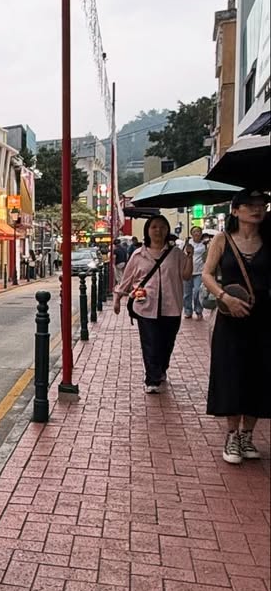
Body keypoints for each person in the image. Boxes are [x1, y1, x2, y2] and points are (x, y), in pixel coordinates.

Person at [202, 189, 270, 464]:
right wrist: (225, 297)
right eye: (250, 205)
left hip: (263, 316)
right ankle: (232, 435)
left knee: (260, 373)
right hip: (230, 315)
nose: (257, 209)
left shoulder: (269, 240)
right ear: (235, 210)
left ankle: (247, 436)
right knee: (231, 372)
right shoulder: (223, 239)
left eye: (261, 204)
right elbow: (207, 274)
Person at [113, 213, 191, 394]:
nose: (158, 230)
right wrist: (117, 299)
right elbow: (127, 279)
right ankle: (152, 378)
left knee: (167, 343)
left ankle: (161, 369)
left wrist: (189, 256)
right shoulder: (138, 255)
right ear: (147, 230)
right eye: (154, 227)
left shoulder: (176, 254)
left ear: (167, 230)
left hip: (172, 306)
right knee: (150, 342)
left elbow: (186, 276)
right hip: (145, 306)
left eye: (162, 227)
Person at [183, 227, 207, 319]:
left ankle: (198, 310)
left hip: (199, 272)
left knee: (198, 291)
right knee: (187, 294)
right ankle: (188, 311)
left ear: (201, 233)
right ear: (191, 234)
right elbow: (180, 254)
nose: (197, 233)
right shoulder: (187, 243)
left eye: (198, 231)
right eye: (194, 232)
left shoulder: (204, 244)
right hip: (187, 271)